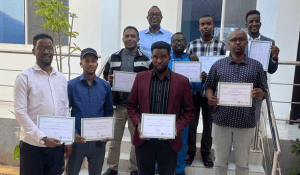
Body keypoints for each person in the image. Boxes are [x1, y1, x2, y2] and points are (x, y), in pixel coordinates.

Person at [127, 41, 196, 175]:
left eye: (163, 57)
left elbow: (189, 110)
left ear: (169, 58)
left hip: (169, 141)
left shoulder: (182, 81)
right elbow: (131, 106)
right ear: (151, 58)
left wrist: (177, 128)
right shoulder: (140, 78)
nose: (159, 61)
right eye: (155, 57)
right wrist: (138, 124)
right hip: (144, 139)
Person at [205, 29, 268, 175]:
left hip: (245, 122)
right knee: (220, 163)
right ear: (229, 43)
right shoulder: (218, 65)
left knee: (242, 164)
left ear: (247, 42)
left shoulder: (256, 66)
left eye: (241, 39)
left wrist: (261, 93)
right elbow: (209, 85)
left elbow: (264, 90)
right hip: (221, 120)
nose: (238, 42)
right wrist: (210, 97)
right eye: (234, 40)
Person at [14, 33, 72, 175]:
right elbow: (20, 112)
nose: (46, 51)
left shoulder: (61, 78)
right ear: (34, 50)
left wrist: (68, 141)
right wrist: (42, 138)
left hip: (56, 145)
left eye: (49, 48)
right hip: (33, 145)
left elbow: (65, 109)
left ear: (53, 51)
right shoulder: (24, 77)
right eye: (41, 47)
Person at [102, 26, 151, 175]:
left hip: (136, 108)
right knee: (114, 141)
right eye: (127, 36)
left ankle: (134, 169)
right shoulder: (114, 57)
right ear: (123, 39)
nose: (130, 39)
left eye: (133, 36)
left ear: (138, 39)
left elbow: (150, 80)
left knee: (136, 141)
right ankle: (112, 168)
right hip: (118, 106)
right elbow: (106, 76)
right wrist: (109, 80)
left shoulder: (146, 59)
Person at [185, 14, 226, 168]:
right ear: (199, 27)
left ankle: (205, 153)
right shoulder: (192, 45)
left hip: (211, 94)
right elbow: (187, 69)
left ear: (213, 26)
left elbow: (222, 68)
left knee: (209, 125)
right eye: (203, 24)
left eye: (209, 23)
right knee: (192, 125)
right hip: (194, 93)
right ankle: (190, 152)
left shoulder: (221, 46)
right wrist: (195, 68)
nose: (206, 27)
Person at [66, 48, 114, 175]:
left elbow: (109, 111)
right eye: (86, 61)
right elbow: (65, 111)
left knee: (95, 172)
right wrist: (73, 133)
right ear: (81, 63)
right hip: (78, 139)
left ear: (97, 64)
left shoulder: (105, 86)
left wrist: (106, 131)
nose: (90, 63)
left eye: (93, 61)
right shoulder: (71, 85)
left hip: (97, 141)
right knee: (72, 171)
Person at [168, 32, 203, 175]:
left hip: (184, 108)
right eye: (175, 41)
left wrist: (200, 79)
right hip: (166, 106)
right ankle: (160, 167)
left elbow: (197, 88)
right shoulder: (166, 59)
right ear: (171, 43)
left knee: (180, 141)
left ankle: (179, 169)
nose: (178, 43)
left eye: (181, 40)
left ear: (186, 44)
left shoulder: (192, 60)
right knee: (163, 139)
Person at [245, 10, 280, 74]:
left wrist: (274, 58)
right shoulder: (239, 42)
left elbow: (271, 70)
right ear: (246, 25)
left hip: (261, 82)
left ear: (260, 24)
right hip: (243, 82)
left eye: (257, 21)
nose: (254, 24)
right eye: (251, 22)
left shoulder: (269, 43)